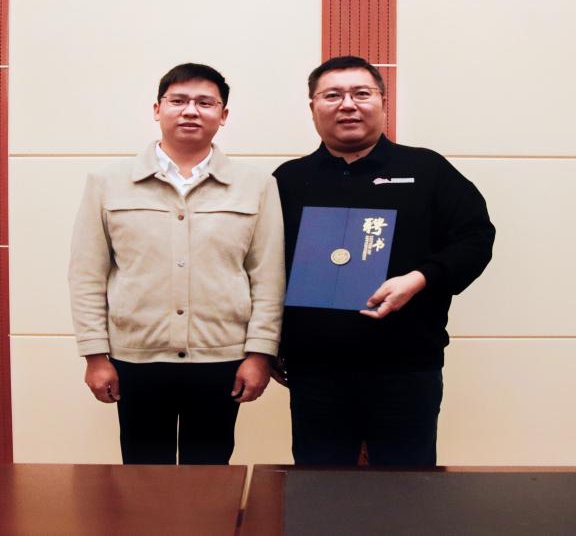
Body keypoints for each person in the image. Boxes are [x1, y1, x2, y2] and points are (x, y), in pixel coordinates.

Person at [273, 55, 496, 466]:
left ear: (383, 101)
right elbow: (264, 267)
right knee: (320, 489)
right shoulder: (288, 179)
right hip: (315, 371)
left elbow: (475, 239)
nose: (348, 104)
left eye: (361, 93)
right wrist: (270, 345)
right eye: (332, 95)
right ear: (312, 107)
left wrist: (421, 277)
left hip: (406, 367)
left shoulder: (426, 169)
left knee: (406, 489)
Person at [68, 62, 284, 464]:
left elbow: (268, 277)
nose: (190, 111)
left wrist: (259, 353)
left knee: (210, 476)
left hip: (222, 358)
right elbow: (87, 276)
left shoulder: (256, 186)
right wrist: (95, 356)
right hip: (136, 358)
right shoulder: (107, 182)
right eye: (178, 100)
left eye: (205, 102)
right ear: (157, 109)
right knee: (144, 477)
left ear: (223, 115)